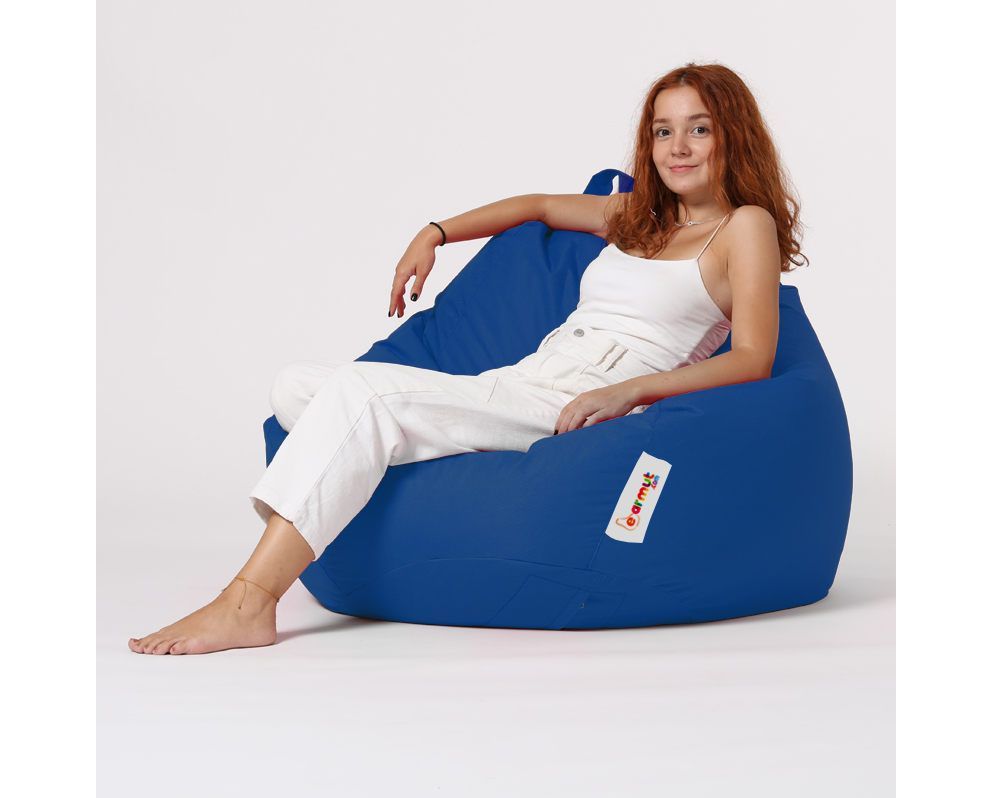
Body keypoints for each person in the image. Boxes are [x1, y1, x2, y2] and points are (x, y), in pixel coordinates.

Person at [128, 62, 803, 655]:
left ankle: (250, 600)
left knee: (361, 397)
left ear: (731, 136)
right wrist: (435, 232)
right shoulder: (639, 215)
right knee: (294, 386)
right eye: (662, 130)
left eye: (698, 129)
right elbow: (538, 205)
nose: (677, 147)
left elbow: (753, 358)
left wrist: (633, 392)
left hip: (582, 401)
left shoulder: (744, 227)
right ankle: (387, 451)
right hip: (528, 376)